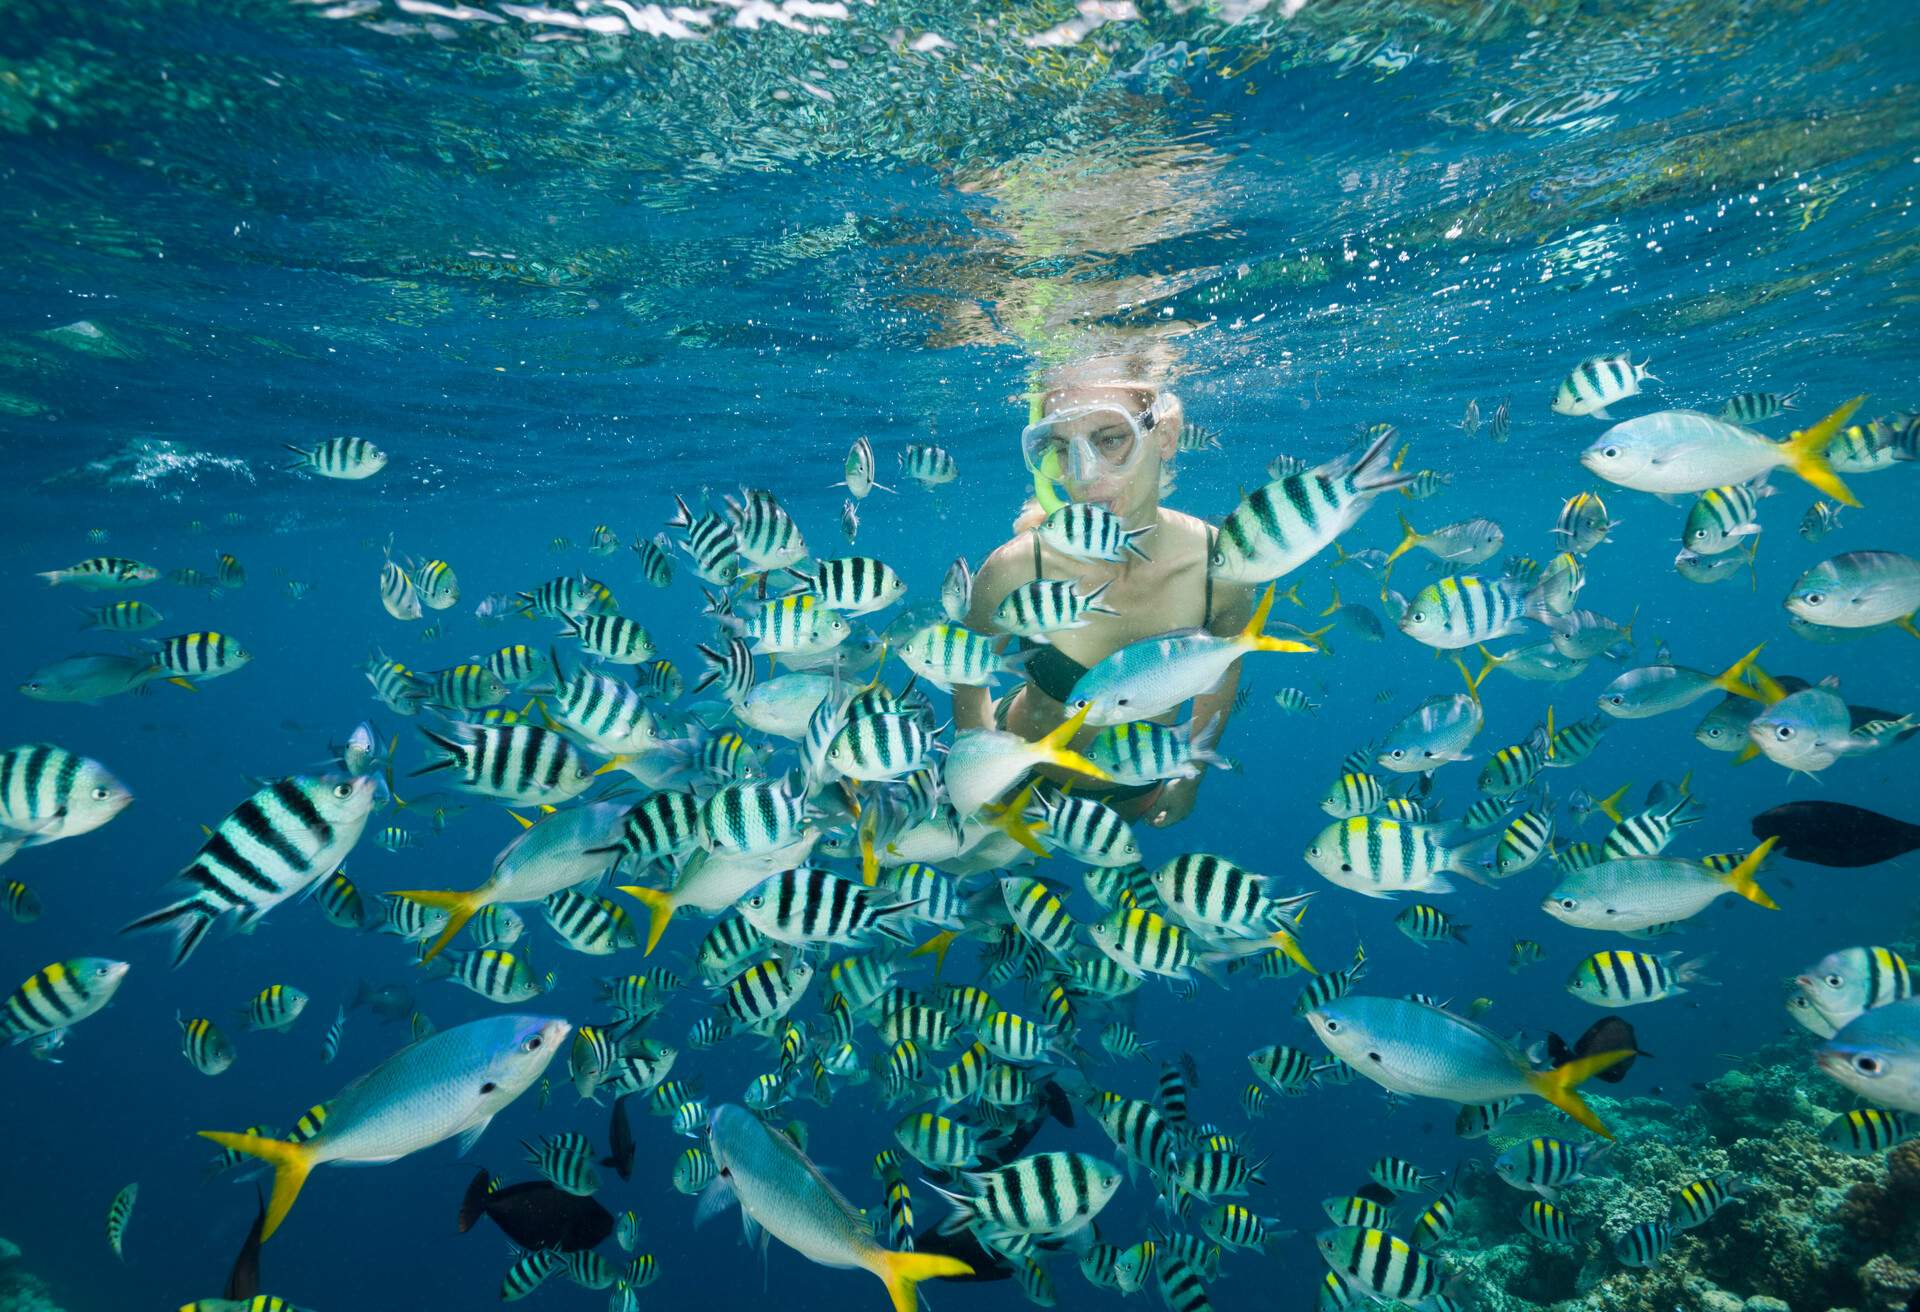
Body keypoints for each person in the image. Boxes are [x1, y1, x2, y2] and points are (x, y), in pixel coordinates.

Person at [952, 367, 1251, 827]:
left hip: (1139, 789)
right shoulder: (1016, 569)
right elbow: (967, 672)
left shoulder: (1221, 568)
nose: (1084, 476)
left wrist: (1190, 775)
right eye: (1062, 449)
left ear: (1166, 435)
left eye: (1110, 439)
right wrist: (979, 781)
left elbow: (1225, 664)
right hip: (1025, 787)